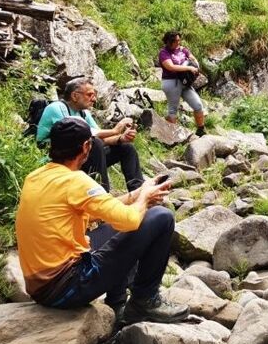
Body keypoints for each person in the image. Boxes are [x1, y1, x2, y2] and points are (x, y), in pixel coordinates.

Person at [15, 117, 188, 325]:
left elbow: (100, 212)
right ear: (87, 146)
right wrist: (145, 200)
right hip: (67, 288)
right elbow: (130, 221)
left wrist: (138, 193)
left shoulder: (36, 176)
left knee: (113, 229)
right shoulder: (76, 181)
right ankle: (145, 299)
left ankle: (117, 304)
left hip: (41, 288)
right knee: (162, 217)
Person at [36, 77, 143, 192]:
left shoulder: (83, 113)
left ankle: (139, 191)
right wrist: (115, 131)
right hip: (56, 159)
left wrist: (121, 138)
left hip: (77, 156)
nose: (94, 99)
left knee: (126, 147)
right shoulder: (56, 108)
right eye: (90, 95)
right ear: (75, 96)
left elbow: (101, 138)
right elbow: (79, 135)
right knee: (95, 143)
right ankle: (102, 194)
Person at [158, 31, 206, 137]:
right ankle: (171, 136)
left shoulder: (183, 49)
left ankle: (201, 130)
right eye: (176, 41)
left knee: (198, 105)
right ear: (169, 42)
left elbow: (193, 58)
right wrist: (188, 67)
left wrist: (195, 65)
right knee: (173, 110)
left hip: (185, 82)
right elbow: (170, 67)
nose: (178, 43)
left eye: (179, 40)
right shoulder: (164, 52)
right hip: (171, 82)